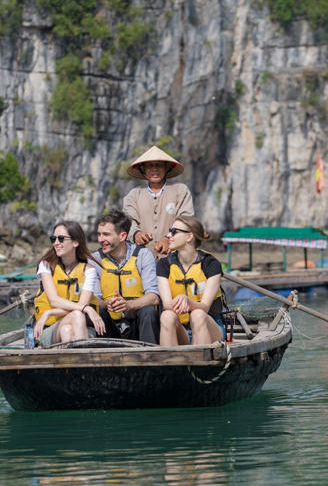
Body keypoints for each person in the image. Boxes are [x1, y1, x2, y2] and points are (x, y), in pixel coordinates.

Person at [90, 209, 160, 344]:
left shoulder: (143, 255)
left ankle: (151, 358)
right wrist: (107, 304)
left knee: (148, 311)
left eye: (106, 234)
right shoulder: (94, 260)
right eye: (99, 234)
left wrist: (129, 305)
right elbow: (95, 299)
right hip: (109, 326)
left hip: (137, 324)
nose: (100, 240)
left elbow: (154, 297)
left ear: (122, 236)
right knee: (99, 312)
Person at [33, 221, 105, 346]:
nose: (56, 243)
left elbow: (80, 307)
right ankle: (87, 360)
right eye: (53, 238)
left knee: (67, 330)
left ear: (75, 242)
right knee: (77, 314)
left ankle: (74, 364)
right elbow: (54, 301)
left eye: (61, 239)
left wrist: (49, 312)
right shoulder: (46, 266)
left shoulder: (89, 270)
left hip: (81, 327)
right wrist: (87, 308)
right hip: (50, 329)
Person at [157, 216, 226, 346]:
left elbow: (204, 307)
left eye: (174, 231)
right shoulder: (164, 264)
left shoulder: (211, 264)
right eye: (169, 231)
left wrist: (187, 301)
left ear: (189, 237)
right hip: (181, 329)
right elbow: (166, 304)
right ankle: (169, 364)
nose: (168, 235)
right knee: (166, 316)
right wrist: (179, 303)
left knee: (198, 314)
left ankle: (203, 364)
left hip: (210, 327)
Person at [122, 146, 194, 259]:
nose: (154, 169)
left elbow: (185, 219)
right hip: (141, 259)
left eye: (159, 165)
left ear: (167, 168)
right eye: (150, 165)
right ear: (143, 169)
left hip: (175, 258)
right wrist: (137, 234)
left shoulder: (180, 190)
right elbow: (128, 220)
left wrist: (168, 239)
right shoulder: (134, 194)